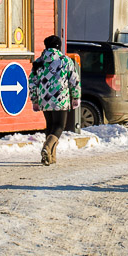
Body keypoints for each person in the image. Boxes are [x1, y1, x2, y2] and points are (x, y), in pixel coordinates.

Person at [30, 35, 81, 165]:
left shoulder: (39, 62)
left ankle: (50, 157)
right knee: (59, 126)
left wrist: (34, 99)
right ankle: (47, 148)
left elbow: (32, 82)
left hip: (44, 99)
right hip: (60, 99)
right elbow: (74, 81)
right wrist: (75, 97)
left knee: (50, 125)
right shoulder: (65, 61)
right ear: (59, 46)